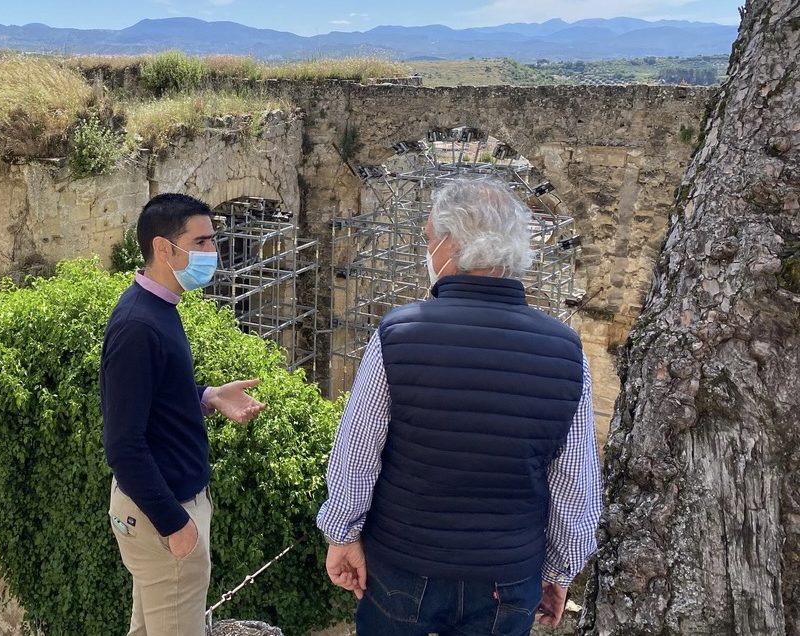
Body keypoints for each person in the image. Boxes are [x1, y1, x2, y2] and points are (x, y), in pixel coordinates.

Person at [316, 178, 602, 636]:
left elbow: (357, 454)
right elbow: (574, 485)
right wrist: (559, 571)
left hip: (402, 564)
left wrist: (343, 535)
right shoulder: (567, 352)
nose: (427, 251)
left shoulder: (398, 335)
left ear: (449, 244)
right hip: (507, 576)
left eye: (429, 239)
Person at [101, 193, 266, 635]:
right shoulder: (139, 326)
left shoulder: (157, 310)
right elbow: (123, 445)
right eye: (203, 241)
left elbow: (155, 399)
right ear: (163, 248)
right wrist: (176, 525)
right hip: (164, 512)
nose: (213, 253)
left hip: (157, 510)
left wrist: (208, 396)